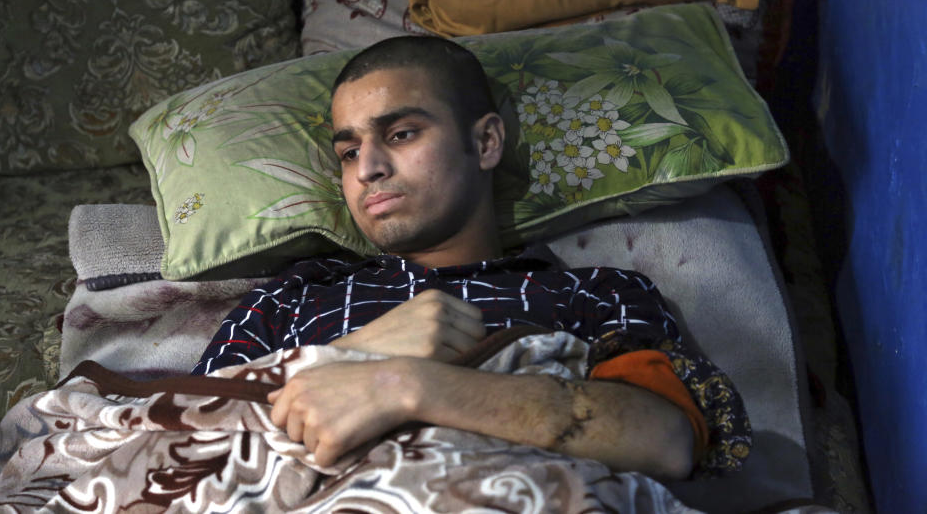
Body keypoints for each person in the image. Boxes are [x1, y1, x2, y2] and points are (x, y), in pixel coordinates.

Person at [192, 36, 750, 480]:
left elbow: (666, 442)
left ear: (485, 143)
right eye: (349, 151)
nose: (367, 170)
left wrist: (405, 386)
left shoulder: (594, 294)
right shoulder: (296, 295)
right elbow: (177, 437)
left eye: (402, 133)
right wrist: (352, 353)